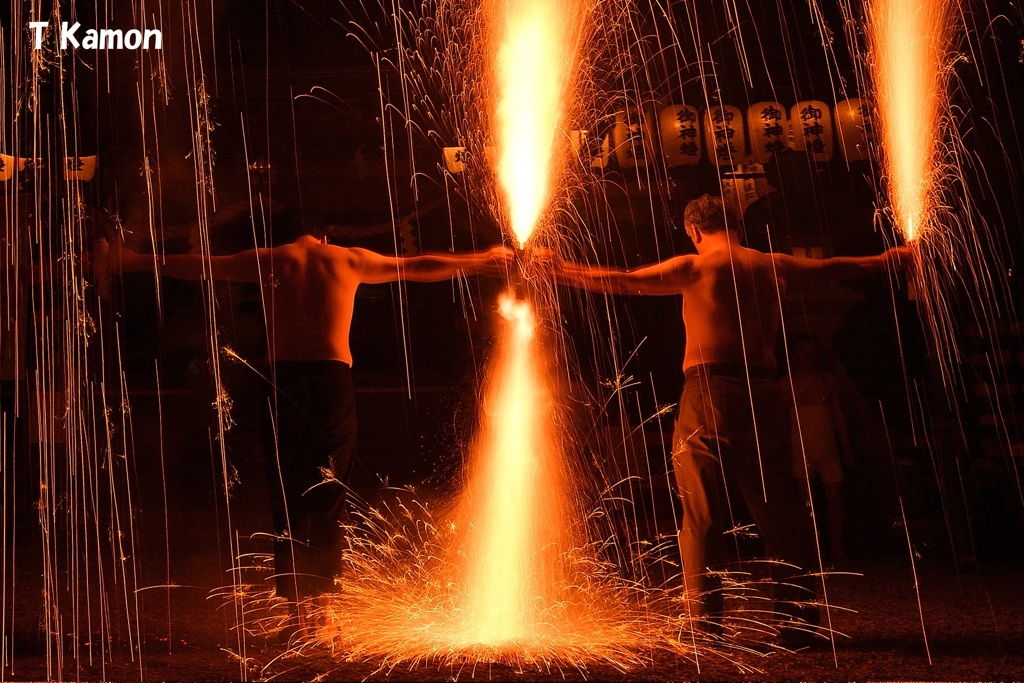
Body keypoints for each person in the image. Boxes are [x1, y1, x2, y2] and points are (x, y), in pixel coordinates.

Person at [555, 194, 911, 645]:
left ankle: (703, 625)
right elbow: (839, 267)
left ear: (695, 231)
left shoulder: (698, 266)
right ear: (734, 225)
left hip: (710, 392)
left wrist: (560, 271)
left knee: (701, 512)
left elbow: (624, 281)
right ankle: (797, 624)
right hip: (765, 392)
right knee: (782, 511)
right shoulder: (772, 264)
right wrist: (890, 258)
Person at [117, 219, 512, 625]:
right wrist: (480, 261)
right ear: (326, 235)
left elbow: (198, 265)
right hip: (329, 381)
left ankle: (294, 611)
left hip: (282, 383)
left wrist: (132, 261)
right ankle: (322, 610)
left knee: (287, 492)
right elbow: (417, 265)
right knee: (327, 491)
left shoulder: (270, 259)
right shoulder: (347, 259)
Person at [785, 333, 852, 563]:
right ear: (793, 354)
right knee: (806, 501)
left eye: (811, 349)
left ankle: (835, 547)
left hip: (828, 447)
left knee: (835, 499)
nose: (807, 354)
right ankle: (811, 549)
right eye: (802, 350)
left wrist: (846, 447)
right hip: (800, 448)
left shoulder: (827, 381)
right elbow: (779, 421)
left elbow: (838, 415)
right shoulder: (785, 384)